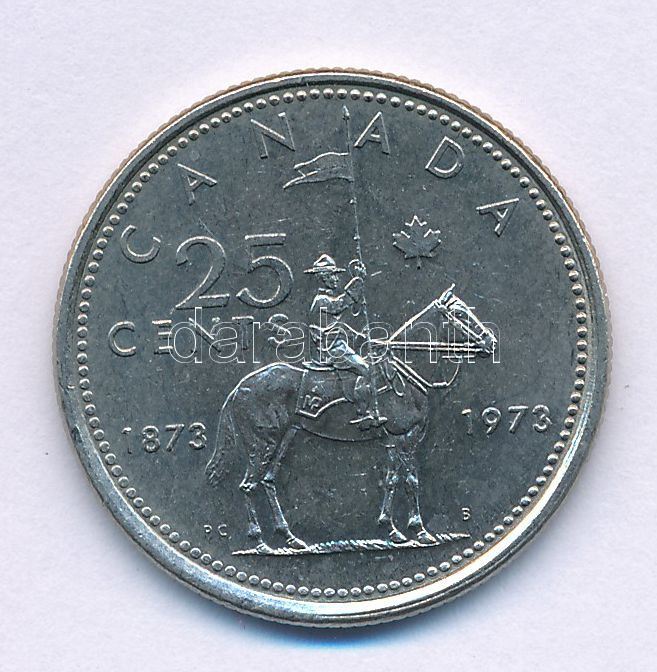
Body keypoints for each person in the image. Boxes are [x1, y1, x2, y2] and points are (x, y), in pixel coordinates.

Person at [304, 253, 386, 429]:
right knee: (366, 368)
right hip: (331, 350)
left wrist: (359, 336)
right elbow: (339, 305)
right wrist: (358, 281)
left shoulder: (325, 299)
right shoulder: (321, 300)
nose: (336, 279)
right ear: (324, 278)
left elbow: (337, 326)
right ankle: (363, 414)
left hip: (337, 345)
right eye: (333, 275)